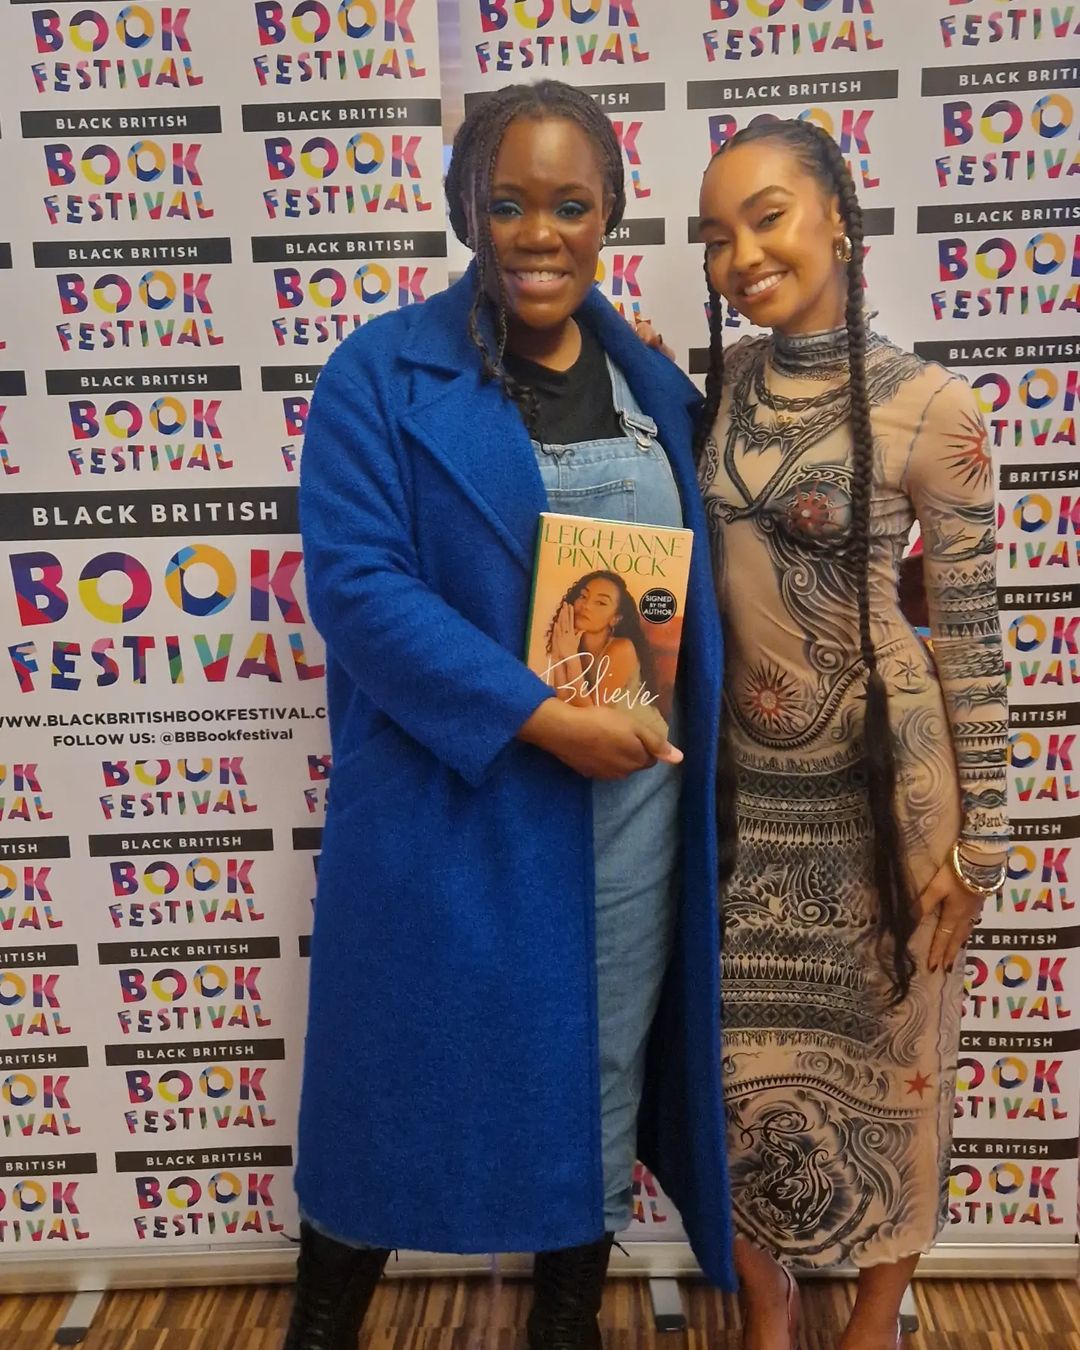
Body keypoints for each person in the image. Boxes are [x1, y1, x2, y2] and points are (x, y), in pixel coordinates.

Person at [285, 79, 735, 1350]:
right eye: (510, 203)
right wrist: (540, 716)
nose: (541, 234)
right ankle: (320, 1325)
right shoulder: (379, 373)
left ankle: (565, 1321)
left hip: (625, 811)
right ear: (466, 211)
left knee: (593, 1076)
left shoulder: (657, 389)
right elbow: (359, 586)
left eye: (571, 205)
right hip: (452, 799)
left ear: (610, 215)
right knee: (392, 1081)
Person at [694, 118, 1008, 1350]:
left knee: (899, 1067)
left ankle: (874, 1322)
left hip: (890, 801)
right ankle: (767, 1313)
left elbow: (972, 645)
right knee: (735, 1073)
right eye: (716, 236)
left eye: (767, 217)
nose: (742, 256)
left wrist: (982, 847)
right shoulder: (718, 388)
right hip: (741, 800)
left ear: (837, 214)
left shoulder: (937, 408)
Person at [542, 570, 670, 738]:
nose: (586, 606)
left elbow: (593, 721)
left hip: (646, 736)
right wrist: (558, 655)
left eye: (601, 603)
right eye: (583, 596)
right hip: (607, 737)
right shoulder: (572, 644)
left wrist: (570, 657)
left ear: (615, 619)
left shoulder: (622, 648)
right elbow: (565, 704)